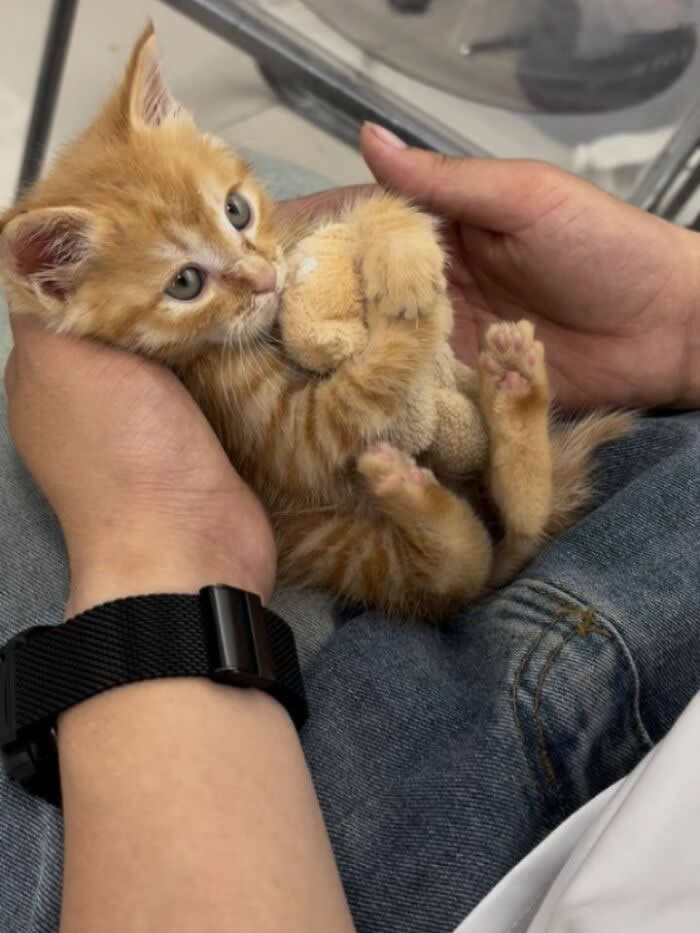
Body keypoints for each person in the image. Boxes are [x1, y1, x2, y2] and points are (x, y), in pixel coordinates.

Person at [1, 124, 699, 932]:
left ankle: (489, 505)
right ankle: (504, 482)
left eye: (236, 210)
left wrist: (166, 544)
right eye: (191, 278)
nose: (258, 269)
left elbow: (326, 423)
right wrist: (679, 316)